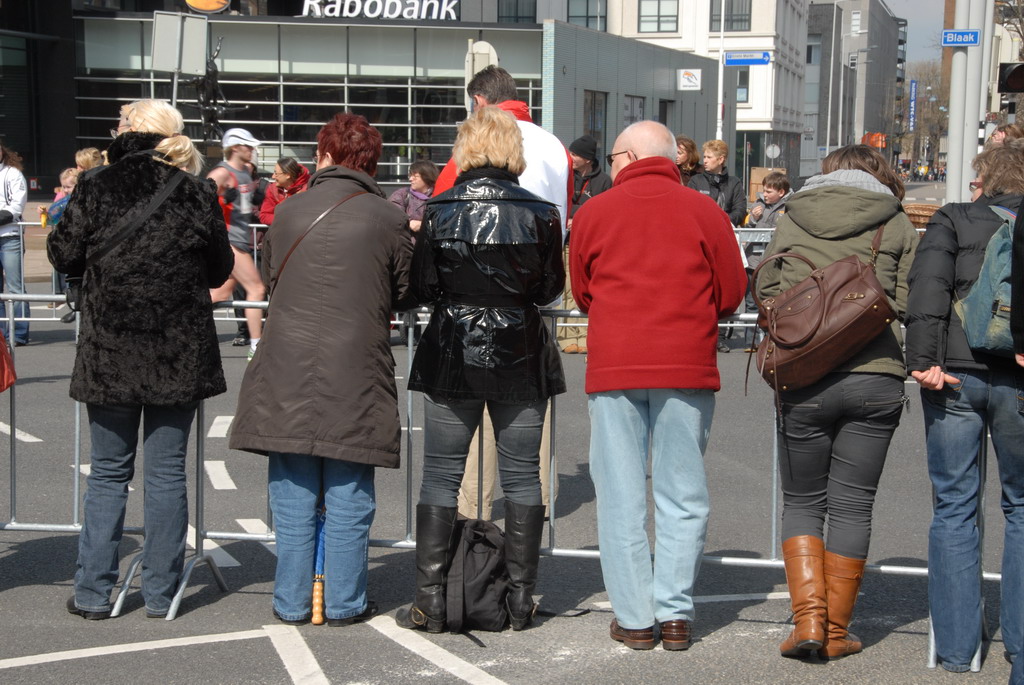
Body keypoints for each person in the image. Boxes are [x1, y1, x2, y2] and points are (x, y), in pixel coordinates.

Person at [47, 98, 233, 620]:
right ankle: (160, 593)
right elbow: (219, 269)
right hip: (177, 349)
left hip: (110, 347)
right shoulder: (197, 192)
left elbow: (63, 253)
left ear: (132, 132)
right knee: (167, 473)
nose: (115, 125)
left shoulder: (96, 184)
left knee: (108, 472)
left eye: (121, 120)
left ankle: (91, 593)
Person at [229, 113, 413, 627]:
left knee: (292, 489)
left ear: (325, 155)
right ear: (370, 162)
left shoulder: (287, 213)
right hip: (357, 364)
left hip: (286, 362)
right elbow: (406, 289)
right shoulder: (387, 217)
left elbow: (268, 275)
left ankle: (290, 600)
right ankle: (343, 601)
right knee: (349, 487)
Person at [570, 121, 746, 651]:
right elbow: (733, 290)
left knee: (620, 495)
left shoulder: (594, 212)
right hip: (685, 364)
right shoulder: (706, 211)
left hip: (615, 363)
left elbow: (582, 292)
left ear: (625, 157)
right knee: (682, 493)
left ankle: (634, 617)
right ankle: (674, 614)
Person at [398, 106, 565, 633]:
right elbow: (549, 289)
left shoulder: (440, 207)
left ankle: (429, 600)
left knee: (442, 475)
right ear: (513, 149)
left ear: (465, 149)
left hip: (453, 348)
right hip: (518, 346)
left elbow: (422, 286)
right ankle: (520, 600)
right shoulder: (541, 211)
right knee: (522, 475)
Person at [755, 145, 918, 660]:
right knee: (853, 503)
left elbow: (765, 284)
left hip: (804, 375)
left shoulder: (793, 215)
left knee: (803, 501)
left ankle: (807, 625)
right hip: (876, 376)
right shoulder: (894, 221)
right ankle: (837, 630)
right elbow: (911, 301)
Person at [905, 141, 1024, 675]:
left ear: (988, 178)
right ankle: (1020, 646)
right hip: (1017, 378)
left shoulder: (954, 219)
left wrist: (923, 360)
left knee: (955, 506)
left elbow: (928, 286)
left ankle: (956, 651)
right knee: (1021, 509)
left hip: (954, 374)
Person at [434, 65, 571, 522]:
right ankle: (530, 533)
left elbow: (430, 260)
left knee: (461, 452)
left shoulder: (467, 149)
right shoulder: (553, 145)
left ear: (478, 102)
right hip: (527, 308)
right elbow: (561, 227)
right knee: (525, 455)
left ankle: (473, 522)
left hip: (464, 317)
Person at [208, 127, 265, 360]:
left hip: (239, 240)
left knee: (220, 294)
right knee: (256, 289)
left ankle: (176, 322)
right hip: (230, 241)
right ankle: (256, 346)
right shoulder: (222, 172)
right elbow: (198, 200)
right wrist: (220, 199)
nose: (251, 150)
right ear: (234, 147)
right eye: (247, 146)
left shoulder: (244, 172)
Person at [562, 134, 612, 355]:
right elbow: (559, 203)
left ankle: (584, 336)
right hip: (566, 241)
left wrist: (578, 218)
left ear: (588, 158)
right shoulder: (565, 175)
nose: (570, 157)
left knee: (584, 290)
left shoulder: (604, 181)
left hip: (590, 243)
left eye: (574, 154)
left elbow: (604, 210)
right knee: (566, 289)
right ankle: (566, 338)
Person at [0, 143, 29, 346]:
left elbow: (16, 206)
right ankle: (2, 333)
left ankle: (19, 333)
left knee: (15, 287)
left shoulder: (12, 174)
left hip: (9, 236)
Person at [687, 139, 746, 226]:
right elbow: (690, 208)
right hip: (702, 229)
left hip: (726, 230)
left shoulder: (734, 183)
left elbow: (740, 210)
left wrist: (723, 221)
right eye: (704, 157)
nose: (705, 161)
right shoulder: (696, 181)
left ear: (721, 159)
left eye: (709, 157)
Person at [389, 160, 439, 233]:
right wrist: (409, 223)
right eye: (410, 175)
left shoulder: (439, 196)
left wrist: (423, 225)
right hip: (407, 242)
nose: (410, 179)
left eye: (415, 176)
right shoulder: (401, 195)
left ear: (427, 177)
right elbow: (392, 218)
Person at [259, 157, 309, 226]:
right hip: (281, 233)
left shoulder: (309, 188)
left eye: (276, 173)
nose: (273, 176)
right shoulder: (272, 189)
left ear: (288, 175)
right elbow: (264, 215)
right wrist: (285, 220)